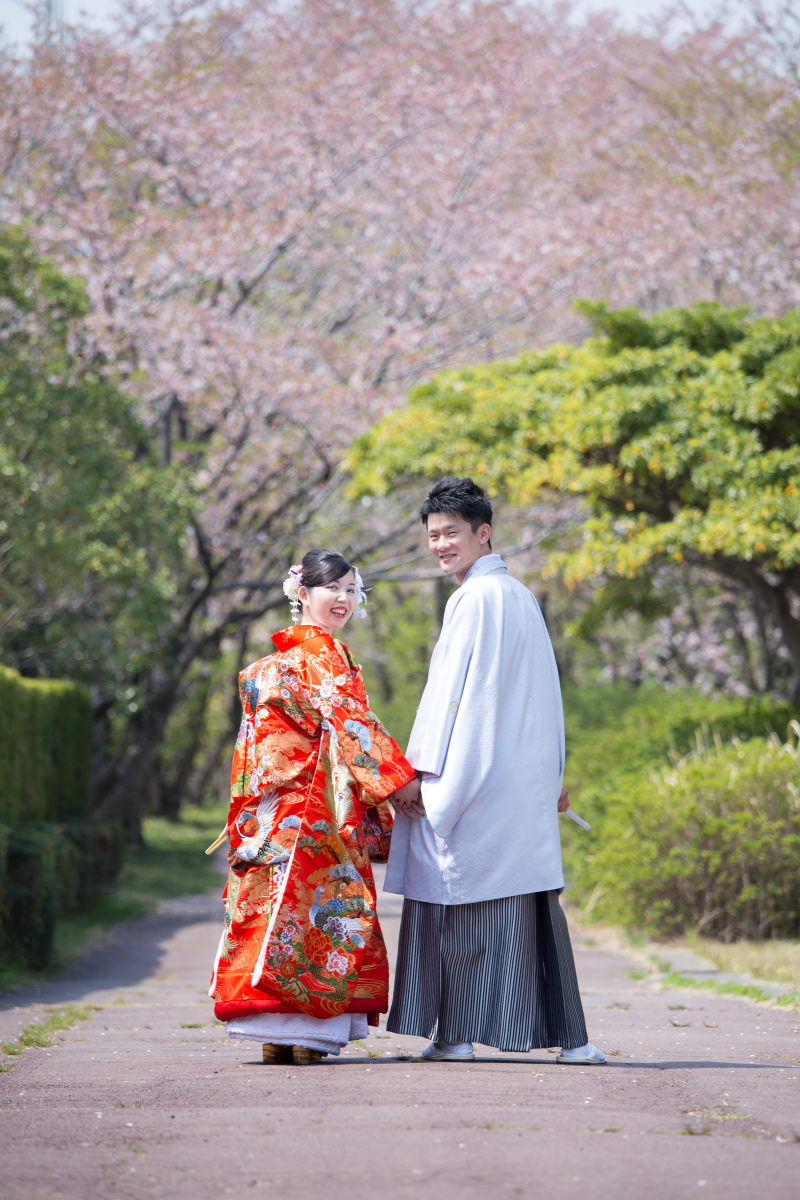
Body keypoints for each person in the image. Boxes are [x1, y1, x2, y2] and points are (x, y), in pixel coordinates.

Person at [385, 477, 604, 1065]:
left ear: (483, 533)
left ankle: (455, 1036)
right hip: (519, 782)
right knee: (528, 909)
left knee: (456, 900)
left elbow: (448, 699)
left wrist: (416, 772)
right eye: (433, 535)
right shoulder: (520, 595)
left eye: (452, 532)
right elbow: (544, 699)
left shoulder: (472, 599)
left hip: (475, 778)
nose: (441, 544)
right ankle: (571, 1040)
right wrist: (551, 773)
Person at [209, 548, 418, 1064]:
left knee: (274, 913)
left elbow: (247, 752)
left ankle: (275, 1034)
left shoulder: (265, 668)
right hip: (318, 808)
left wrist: (244, 816)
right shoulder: (325, 656)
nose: (344, 599)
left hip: (271, 815)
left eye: (351, 590)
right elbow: (352, 724)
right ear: (302, 593)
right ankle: (309, 1034)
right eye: (333, 589)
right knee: (323, 913)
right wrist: (396, 781)